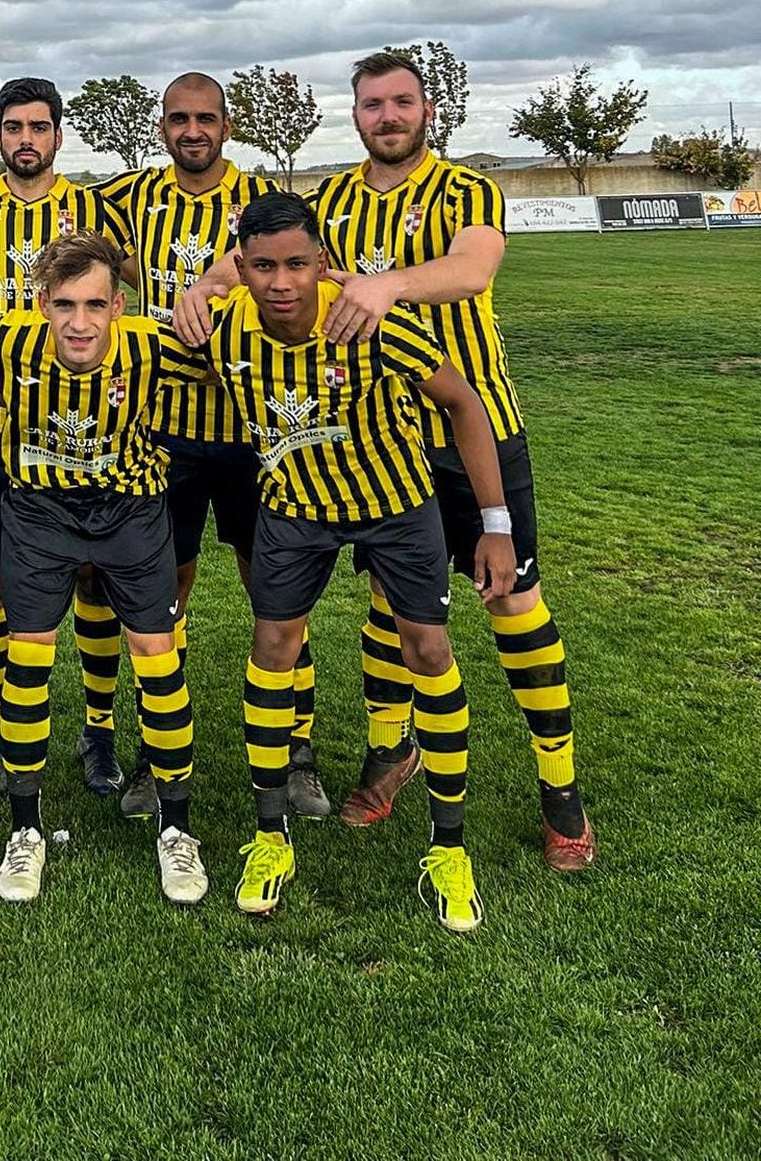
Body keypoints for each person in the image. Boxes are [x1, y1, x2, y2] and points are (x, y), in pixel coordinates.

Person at [177, 50, 595, 870]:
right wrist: (206, 287)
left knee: (512, 606)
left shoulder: (463, 189)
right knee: (391, 610)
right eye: (373, 105)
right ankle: (390, 751)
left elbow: (473, 268)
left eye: (401, 102)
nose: (387, 117)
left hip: (472, 425)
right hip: (375, 442)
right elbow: (253, 258)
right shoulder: (331, 197)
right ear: (356, 115)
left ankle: (562, 794)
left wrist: (386, 286)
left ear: (427, 111)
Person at [0, 74, 329, 821]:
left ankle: (299, 752)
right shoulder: (128, 198)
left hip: (253, 423)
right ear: (161, 127)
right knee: (152, 596)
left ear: (226, 125)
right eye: (179, 119)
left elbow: (304, 272)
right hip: (155, 431)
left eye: (206, 119)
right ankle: (140, 750)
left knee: (274, 590)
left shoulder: (261, 204)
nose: (192, 131)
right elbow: (8, 234)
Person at [199, 192, 514, 932]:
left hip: (397, 505)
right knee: (273, 645)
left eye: (298, 265)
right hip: (295, 509)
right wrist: (192, 294)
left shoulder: (372, 320)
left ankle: (450, 848)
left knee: (428, 648)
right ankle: (270, 835)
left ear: (323, 264)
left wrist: (494, 525)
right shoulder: (220, 330)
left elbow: (463, 405)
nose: (282, 282)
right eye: (265, 266)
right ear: (241, 266)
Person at [0, 233, 211, 907]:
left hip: (131, 511)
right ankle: (25, 830)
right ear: (41, 304)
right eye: (64, 304)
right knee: (27, 659)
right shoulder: (7, 342)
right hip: (39, 512)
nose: (79, 322)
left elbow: (244, 362)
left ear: (118, 306)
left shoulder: (154, 347)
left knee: (158, 655)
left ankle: (177, 830)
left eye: (94, 305)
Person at [0, 77, 131, 800]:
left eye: (39, 127)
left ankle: (99, 730)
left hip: (85, 430)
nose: (26, 138)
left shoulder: (95, 209)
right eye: (13, 126)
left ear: (59, 135)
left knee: (95, 579)